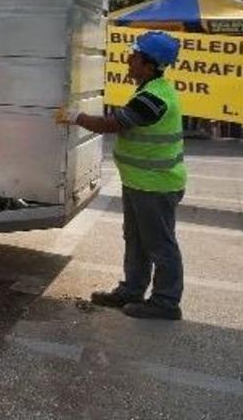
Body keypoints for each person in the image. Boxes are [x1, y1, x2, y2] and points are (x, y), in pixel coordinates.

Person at [56, 30, 186, 321]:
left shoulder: (153, 99)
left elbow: (111, 124)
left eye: (134, 57)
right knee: (136, 239)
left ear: (149, 65)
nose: (128, 61)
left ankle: (166, 302)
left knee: (160, 245)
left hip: (156, 185)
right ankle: (132, 290)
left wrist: (76, 116)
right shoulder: (149, 90)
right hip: (141, 183)